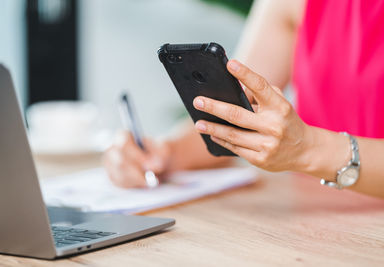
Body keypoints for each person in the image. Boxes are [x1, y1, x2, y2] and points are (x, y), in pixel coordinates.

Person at [103, 0, 384, 198]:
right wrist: (164, 153)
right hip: (312, 217)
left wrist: (309, 150)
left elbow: (301, 147)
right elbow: (235, 116)